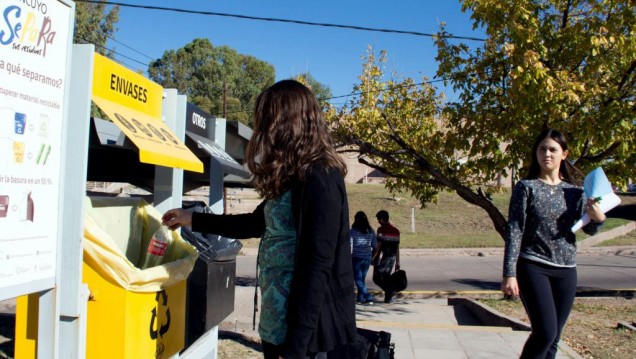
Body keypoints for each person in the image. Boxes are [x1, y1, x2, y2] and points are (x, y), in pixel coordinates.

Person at [162, 80, 356, 359]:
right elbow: (253, 224)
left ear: (289, 122)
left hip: (306, 338)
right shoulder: (294, 176)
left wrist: (296, 347)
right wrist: (191, 218)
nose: (263, 129)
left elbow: (317, 266)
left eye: (267, 119)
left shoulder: (321, 176)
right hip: (277, 325)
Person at [501, 128, 606, 359]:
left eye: (552, 149)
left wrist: (599, 219)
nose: (546, 154)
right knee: (545, 333)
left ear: (564, 154)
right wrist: (509, 273)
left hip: (566, 270)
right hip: (533, 266)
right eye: (542, 149)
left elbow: (587, 228)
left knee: (554, 338)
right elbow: (515, 230)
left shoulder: (576, 192)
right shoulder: (526, 187)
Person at [350, 211, 378, 305]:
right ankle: (360, 298)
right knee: (362, 279)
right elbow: (375, 246)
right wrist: (372, 257)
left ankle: (368, 297)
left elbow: (350, 245)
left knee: (358, 280)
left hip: (356, 258)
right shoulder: (370, 230)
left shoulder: (353, 231)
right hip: (367, 258)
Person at [373, 210, 400, 304]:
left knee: (376, 277)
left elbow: (378, 247)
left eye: (378, 219)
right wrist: (398, 262)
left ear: (381, 219)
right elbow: (397, 248)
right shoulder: (396, 231)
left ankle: (390, 291)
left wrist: (373, 258)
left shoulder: (381, 230)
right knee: (386, 277)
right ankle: (388, 299)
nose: (378, 222)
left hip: (385, 257)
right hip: (392, 258)